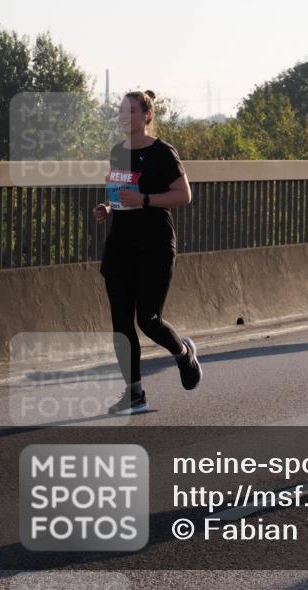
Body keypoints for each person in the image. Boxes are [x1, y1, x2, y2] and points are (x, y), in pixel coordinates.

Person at [94, 90, 202, 414]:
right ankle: (135, 394)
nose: (123, 117)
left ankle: (183, 353)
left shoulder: (162, 152)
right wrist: (108, 208)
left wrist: (144, 200)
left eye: (130, 111)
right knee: (121, 323)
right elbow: (120, 193)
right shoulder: (117, 152)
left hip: (155, 246)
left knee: (149, 320)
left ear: (147, 115)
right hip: (120, 246)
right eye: (120, 111)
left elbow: (183, 195)